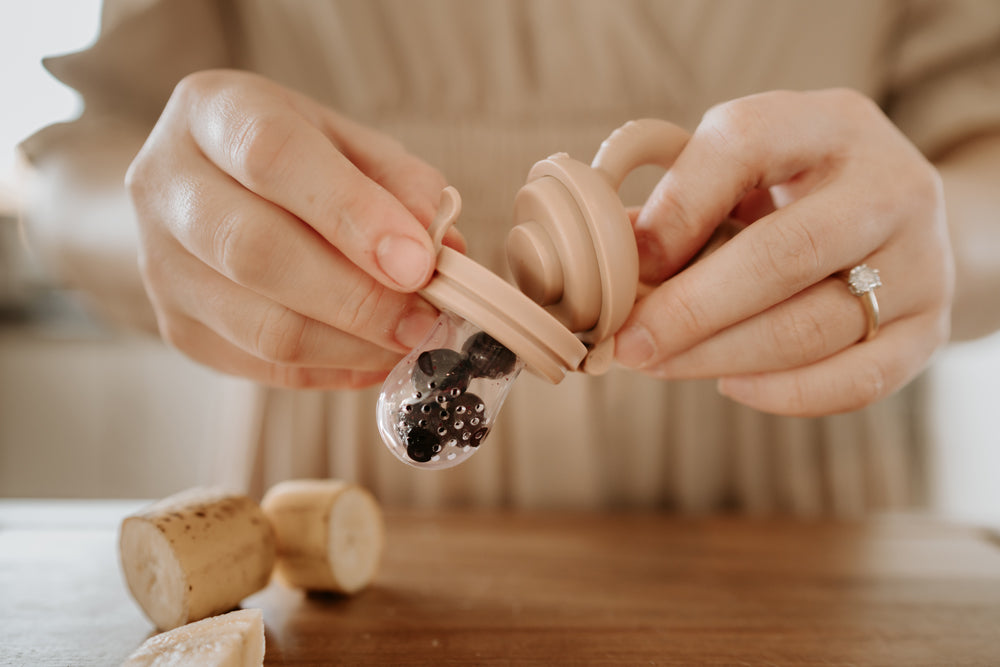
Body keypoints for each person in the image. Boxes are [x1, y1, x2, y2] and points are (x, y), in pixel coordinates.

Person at [19, 0, 1000, 513]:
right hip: (347, 473)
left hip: (782, 489)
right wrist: (169, 215)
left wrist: (923, 239)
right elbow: (85, 159)